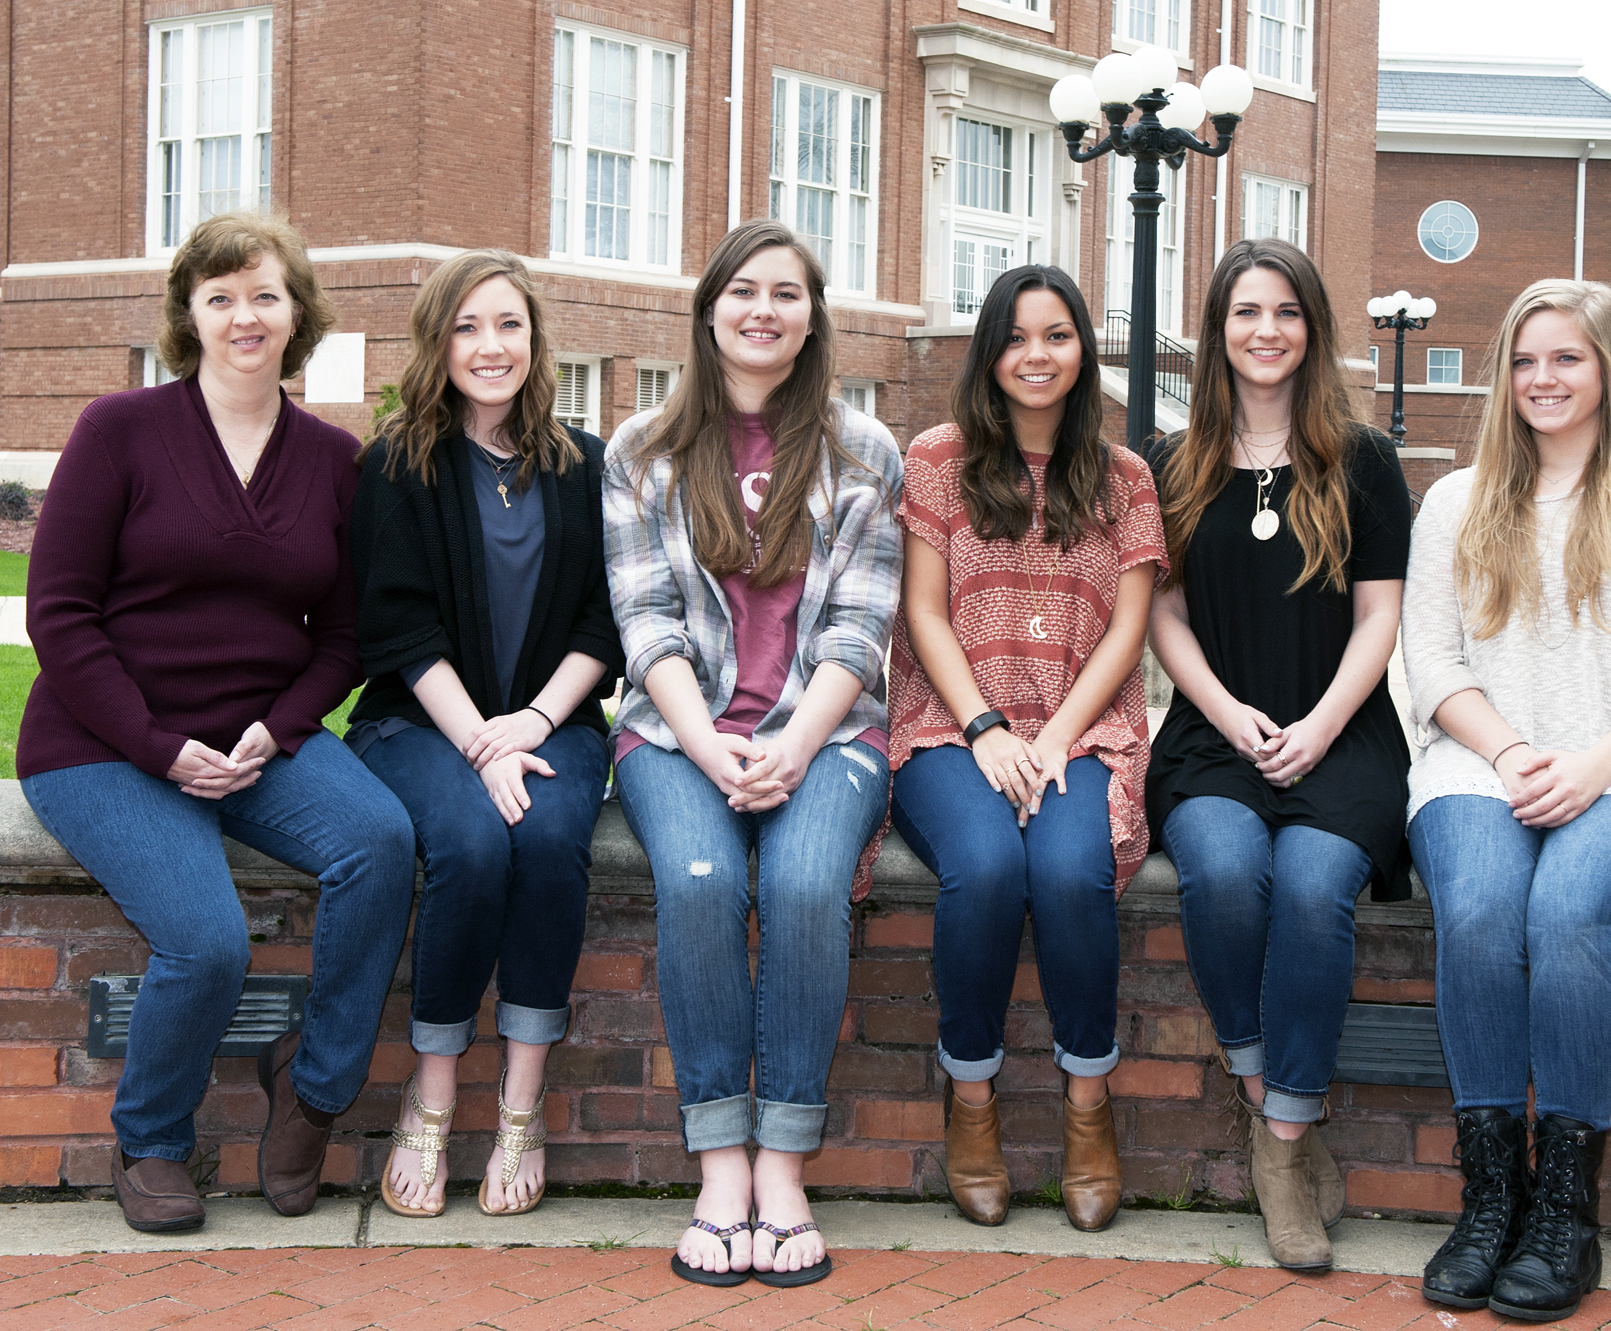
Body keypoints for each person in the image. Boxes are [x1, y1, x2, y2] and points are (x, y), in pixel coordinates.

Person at [16, 211, 416, 1233]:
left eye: (265, 295)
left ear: (298, 315)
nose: (245, 315)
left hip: (253, 739)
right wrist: (155, 744)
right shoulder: (120, 429)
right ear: (188, 315)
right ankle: (152, 1139)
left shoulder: (333, 459)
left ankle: (315, 1089)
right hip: (101, 741)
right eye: (221, 296)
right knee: (206, 938)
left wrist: (277, 729)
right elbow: (57, 611)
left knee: (380, 839)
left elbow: (343, 633)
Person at [1403, 279, 1611, 1320]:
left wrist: (1589, 767)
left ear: (1604, 370)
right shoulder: (1454, 501)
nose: (1541, 379)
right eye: (1523, 360)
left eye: (1565, 359)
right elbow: (1432, 659)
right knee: (1477, 911)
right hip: (1478, 764)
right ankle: (1489, 1194)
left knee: (1564, 914)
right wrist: (1508, 752)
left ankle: (1563, 1211)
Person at [604, 219, 903, 1289]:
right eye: (742, 291)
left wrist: (789, 743)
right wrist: (714, 745)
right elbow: (646, 631)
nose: (762, 310)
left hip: (829, 732)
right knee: (697, 882)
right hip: (673, 735)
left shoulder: (867, 452)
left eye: (786, 293)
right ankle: (718, 1160)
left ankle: (784, 1162)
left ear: (813, 317)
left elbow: (858, 634)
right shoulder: (638, 449)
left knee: (809, 879)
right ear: (708, 311)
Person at [1144, 238, 1412, 1272]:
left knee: (1310, 885)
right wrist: (1226, 707)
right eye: (1245, 312)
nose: (1265, 330)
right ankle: (1266, 1092)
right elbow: (1161, 612)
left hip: (1340, 735)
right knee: (1219, 868)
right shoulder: (1173, 460)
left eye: (1285, 312)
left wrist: (1318, 723)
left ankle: (1285, 1145)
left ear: (1312, 327)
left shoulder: (1363, 459)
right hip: (1214, 735)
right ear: (1215, 333)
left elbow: (1380, 616)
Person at [879, 264, 1165, 1235]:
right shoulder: (936, 457)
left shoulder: (1124, 474)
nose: (1035, 355)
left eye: (1055, 335)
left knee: (1071, 866)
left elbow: (1127, 630)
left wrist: (1050, 737)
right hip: (950, 724)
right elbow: (921, 609)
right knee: (990, 866)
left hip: (1077, 725)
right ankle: (971, 1101)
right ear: (987, 351)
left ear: (1083, 348)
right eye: (1015, 336)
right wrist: (985, 727)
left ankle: (1088, 1109)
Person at [348, 250, 621, 1219]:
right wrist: (481, 743)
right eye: (465, 326)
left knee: (548, 838)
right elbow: (397, 626)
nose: (488, 345)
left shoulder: (584, 465)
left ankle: (518, 1106)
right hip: (420, 722)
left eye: (506, 323)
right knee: (467, 840)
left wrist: (532, 722)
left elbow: (604, 617)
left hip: (554, 717)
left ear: (534, 339)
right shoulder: (395, 461)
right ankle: (430, 1097)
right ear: (437, 342)